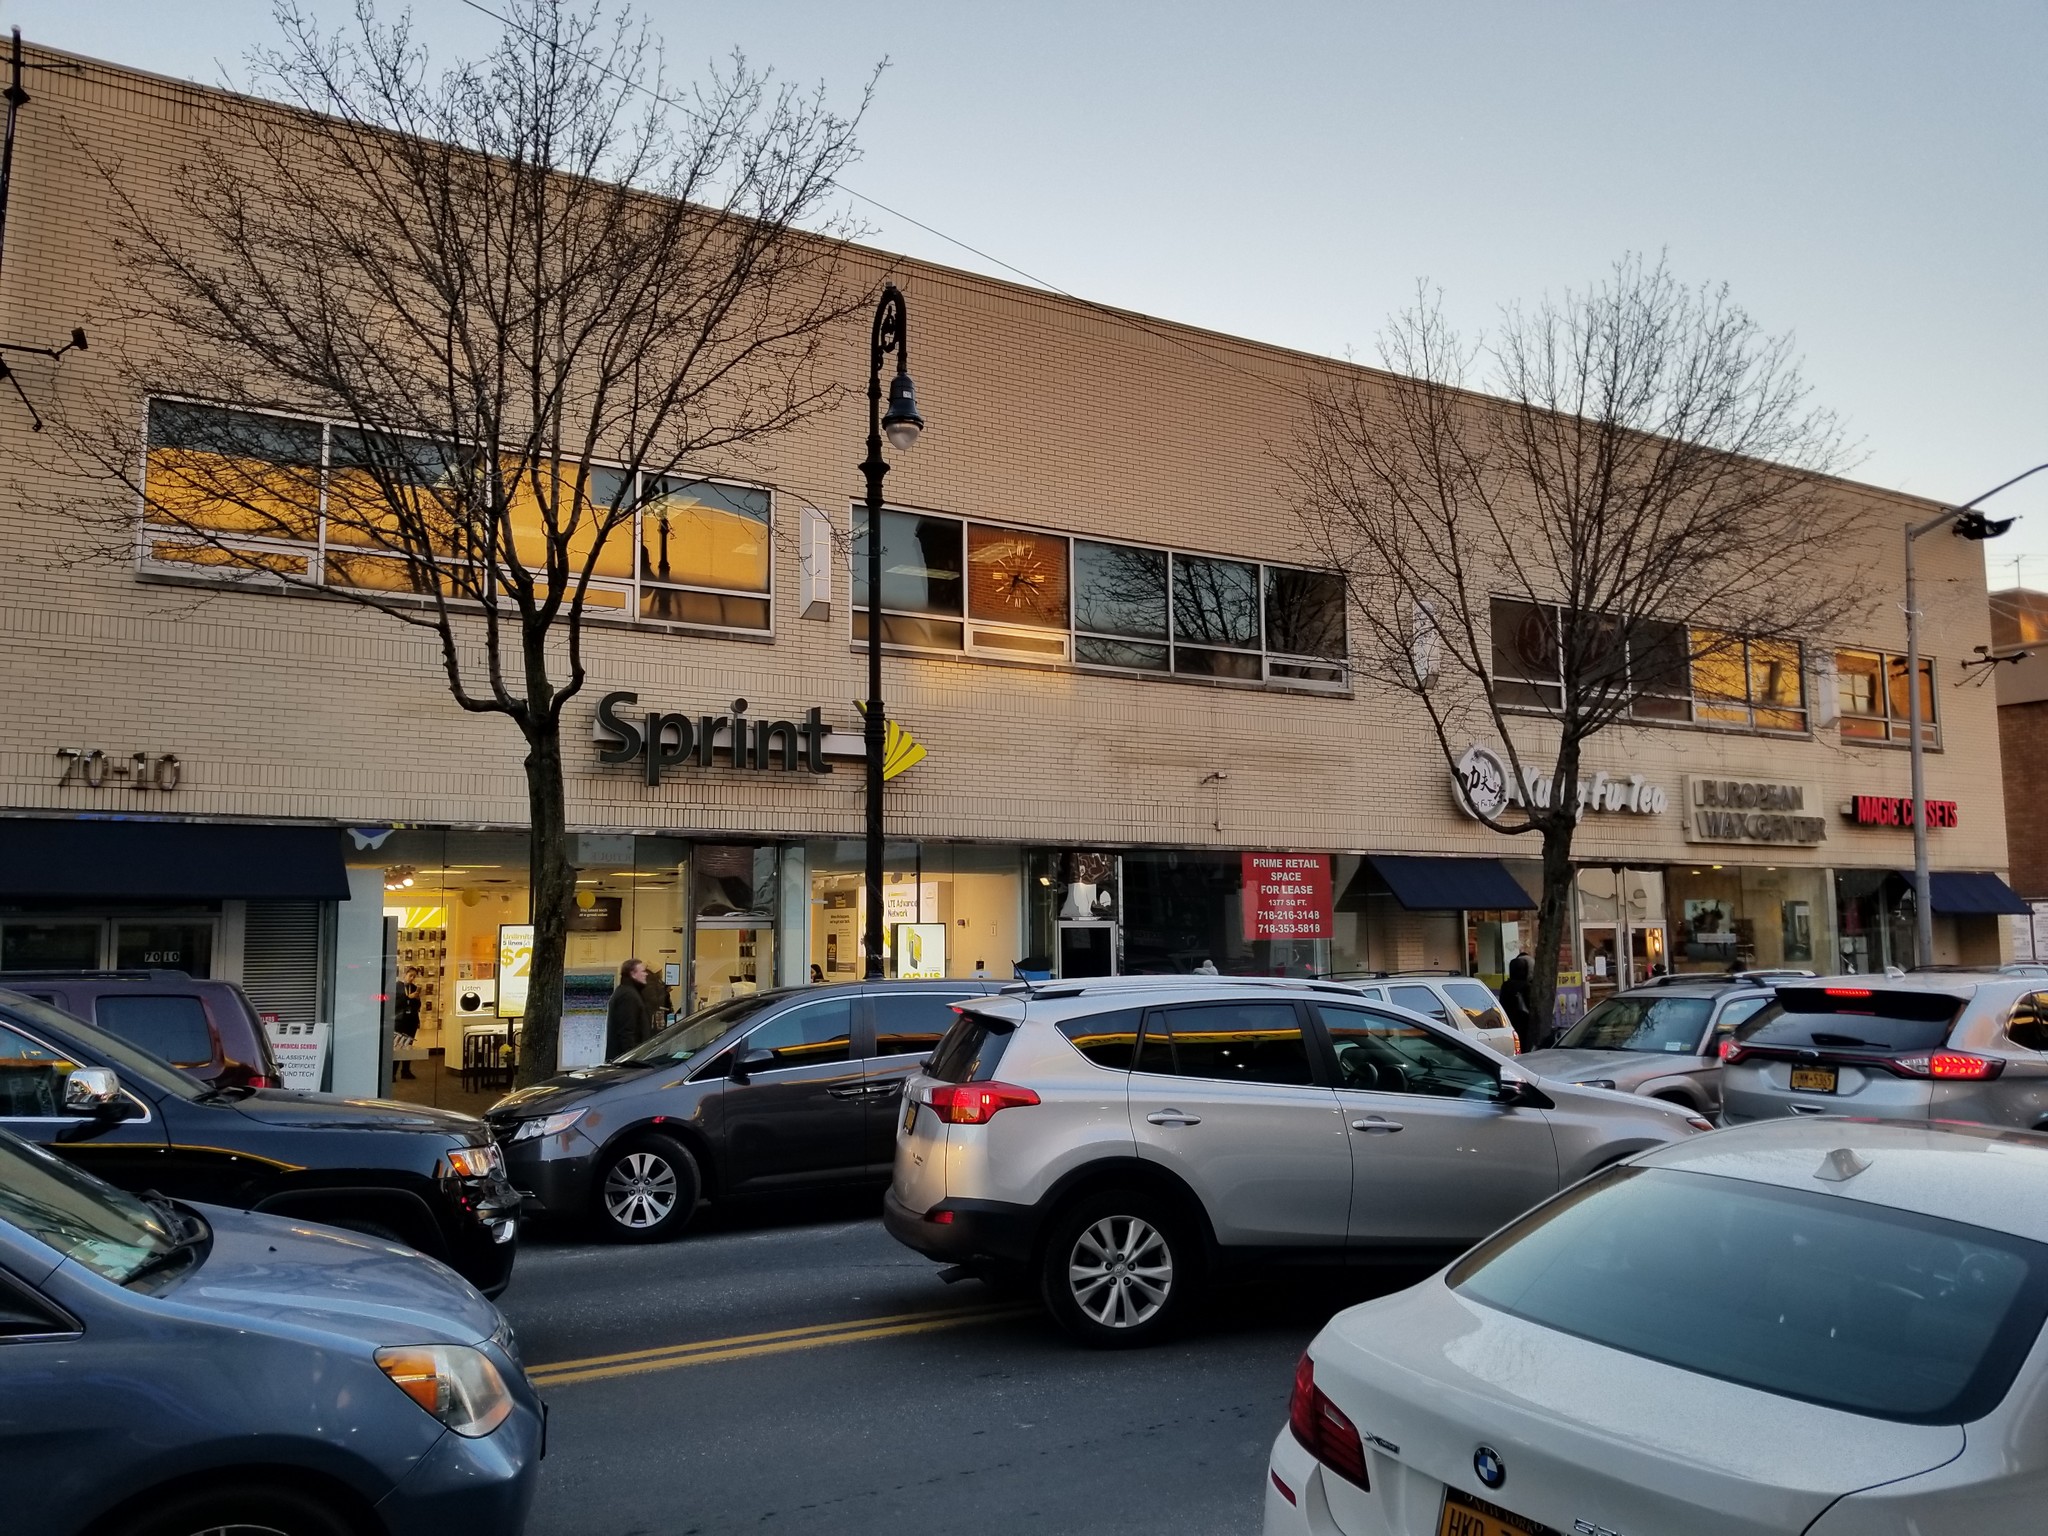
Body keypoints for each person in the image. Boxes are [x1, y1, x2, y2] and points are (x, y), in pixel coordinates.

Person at [607, 958, 653, 1059]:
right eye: (643, 971)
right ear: (633, 974)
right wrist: (632, 1059)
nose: (646, 974)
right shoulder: (628, 996)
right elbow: (626, 1032)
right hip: (627, 1061)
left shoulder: (628, 992)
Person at [1500, 953, 1539, 1053]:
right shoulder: (1526, 986)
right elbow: (1530, 1005)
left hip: (1509, 1022)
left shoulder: (1505, 985)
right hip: (1524, 1022)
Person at [392, 970, 422, 1080]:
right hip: (399, 1020)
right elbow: (394, 1004)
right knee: (398, 1046)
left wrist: (416, 999)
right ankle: (393, 1073)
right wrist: (408, 997)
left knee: (408, 1046)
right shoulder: (397, 987)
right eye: (410, 976)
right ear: (405, 975)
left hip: (411, 1020)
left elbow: (418, 1006)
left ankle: (406, 1071)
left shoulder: (414, 988)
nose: (412, 978)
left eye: (414, 976)